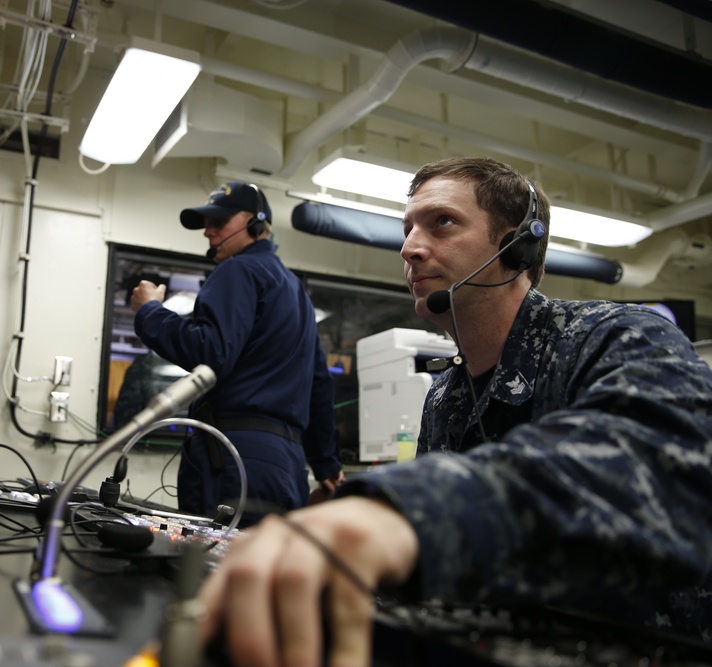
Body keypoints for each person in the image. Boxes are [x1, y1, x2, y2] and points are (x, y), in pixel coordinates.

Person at [197, 158, 712, 666]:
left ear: (515, 244)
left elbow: (651, 463)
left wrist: (399, 515)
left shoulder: (617, 335)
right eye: (407, 229)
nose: (410, 248)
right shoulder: (444, 395)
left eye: (442, 222)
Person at [130, 181, 344, 526]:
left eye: (220, 223)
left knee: (209, 573)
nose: (208, 233)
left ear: (256, 223)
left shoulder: (238, 270)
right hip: (286, 466)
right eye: (206, 225)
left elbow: (211, 352)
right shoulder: (296, 292)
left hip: (234, 456)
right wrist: (326, 464)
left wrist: (149, 312)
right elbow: (319, 383)